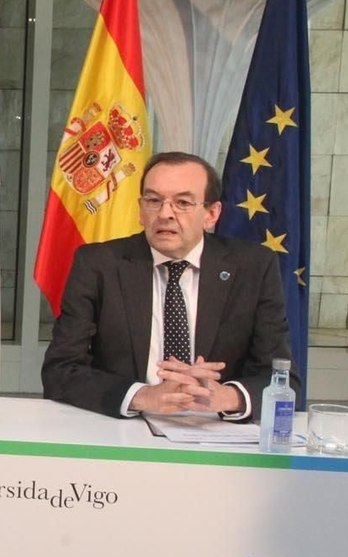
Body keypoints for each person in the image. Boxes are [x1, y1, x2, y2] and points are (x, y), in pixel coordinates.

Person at [42, 151, 296, 419]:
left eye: (182, 203)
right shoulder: (99, 264)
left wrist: (226, 397)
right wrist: (140, 396)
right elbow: (60, 370)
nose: (165, 214)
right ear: (141, 210)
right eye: (153, 201)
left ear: (211, 214)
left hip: (215, 427)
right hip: (126, 423)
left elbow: (283, 377)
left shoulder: (253, 267)